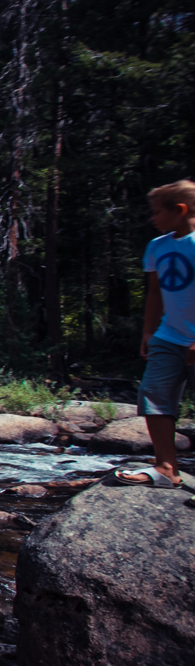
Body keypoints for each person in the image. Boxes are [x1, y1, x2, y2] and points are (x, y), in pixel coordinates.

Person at [116, 179, 195, 494]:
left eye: (157, 212)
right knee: (154, 396)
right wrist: (149, 331)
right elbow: (154, 293)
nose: (152, 218)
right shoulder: (157, 246)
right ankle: (165, 468)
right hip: (168, 336)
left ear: (180, 210)